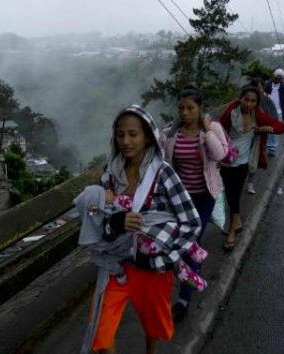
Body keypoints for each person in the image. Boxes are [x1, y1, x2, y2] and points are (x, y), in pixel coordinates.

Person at [85, 104, 201, 354]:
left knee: (153, 324)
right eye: (120, 134)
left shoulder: (163, 173)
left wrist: (167, 258)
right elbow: (94, 214)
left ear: (148, 135)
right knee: (100, 330)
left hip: (153, 267)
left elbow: (191, 221)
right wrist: (115, 222)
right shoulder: (111, 175)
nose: (126, 141)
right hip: (116, 265)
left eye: (133, 134)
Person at [160, 86, 228, 320]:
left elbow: (220, 155)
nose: (185, 113)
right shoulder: (171, 134)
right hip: (180, 199)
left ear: (201, 108)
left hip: (204, 195)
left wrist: (208, 130)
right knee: (177, 243)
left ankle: (184, 298)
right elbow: (162, 159)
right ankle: (190, 272)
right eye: (181, 108)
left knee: (190, 243)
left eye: (190, 108)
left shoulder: (212, 129)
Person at [218, 86, 284, 251]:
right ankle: (237, 220)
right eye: (246, 99)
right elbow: (217, 129)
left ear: (257, 103)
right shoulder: (231, 113)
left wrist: (267, 128)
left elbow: (281, 127)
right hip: (226, 162)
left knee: (234, 194)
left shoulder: (257, 115)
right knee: (229, 194)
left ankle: (233, 228)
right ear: (240, 99)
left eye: (253, 101)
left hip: (243, 163)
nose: (249, 103)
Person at [244, 78, 279, 195]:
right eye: (256, 88)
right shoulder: (245, 101)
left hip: (260, 136)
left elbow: (274, 119)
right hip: (244, 135)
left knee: (254, 160)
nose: (258, 91)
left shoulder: (267, 101)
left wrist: (266, 127)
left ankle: (250, 183)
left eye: (260, 88)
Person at [265, 69, 284, 157]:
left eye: (280, 79)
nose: (277, 80)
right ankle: (266, 146)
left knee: (275, 130)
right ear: (273, 76)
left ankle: (272, 148)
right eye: (276, 78)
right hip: (268, 111)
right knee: (267, 129)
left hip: (279, 111)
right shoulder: (268, 84)